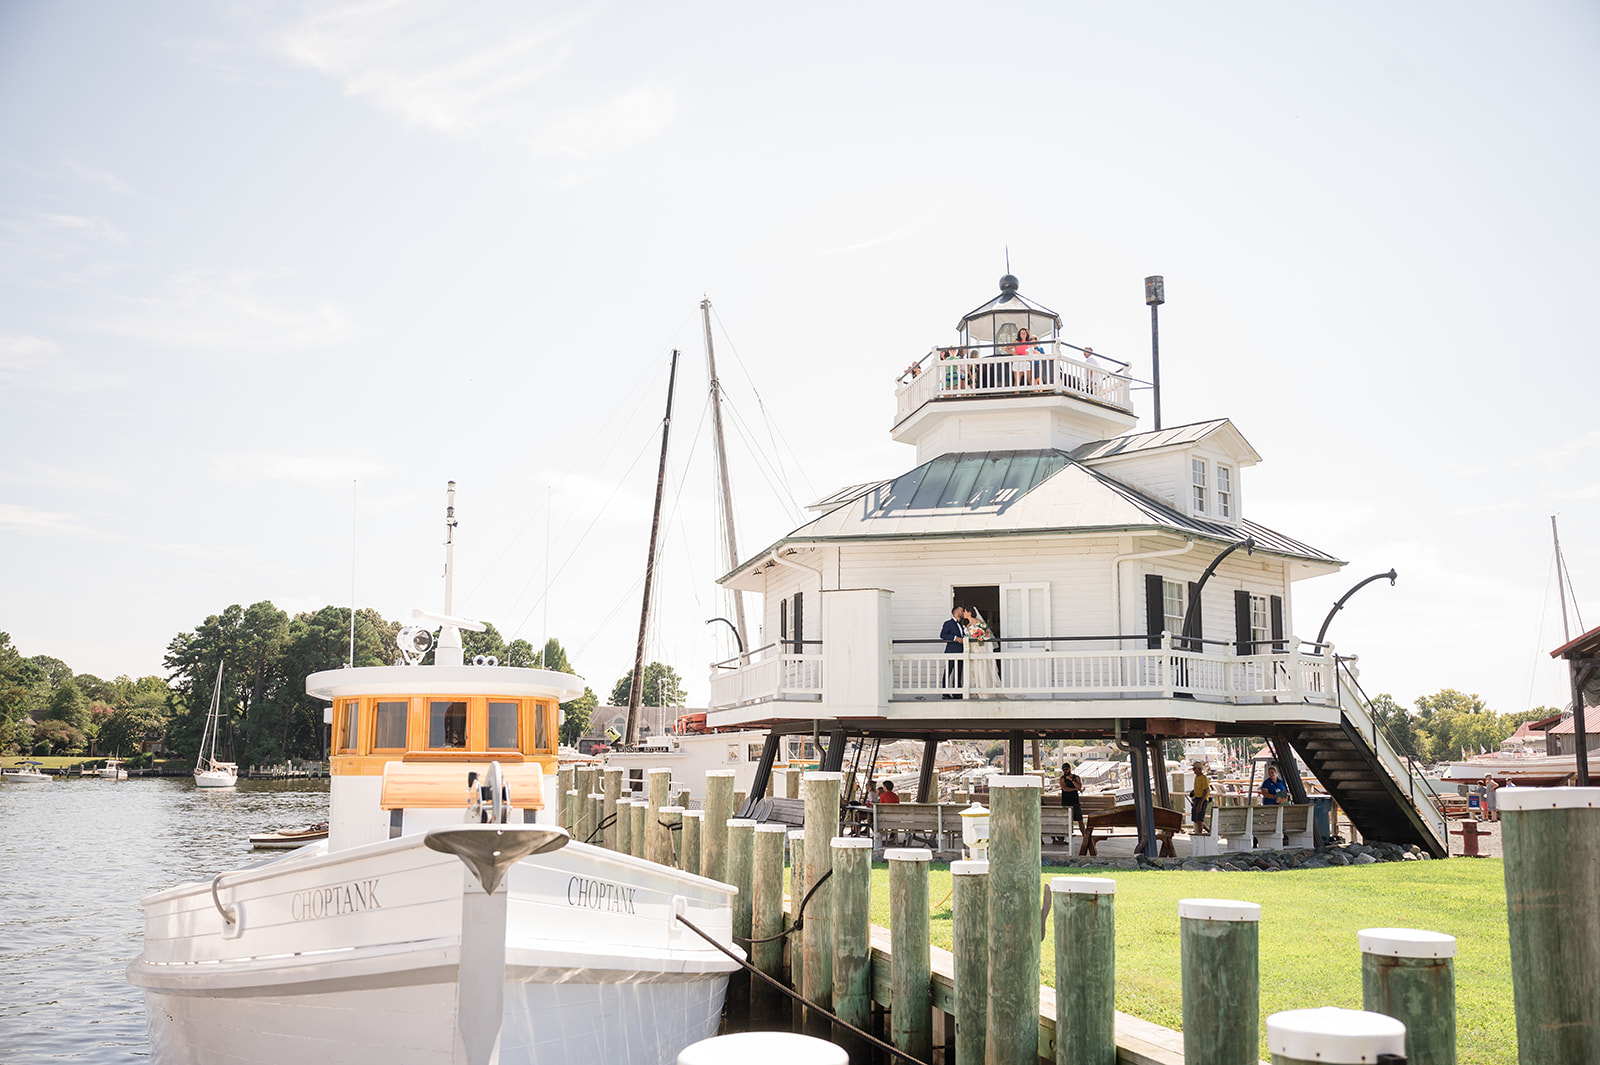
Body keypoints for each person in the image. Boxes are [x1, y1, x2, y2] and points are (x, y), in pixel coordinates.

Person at [940, 605, 967, 698]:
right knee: (948, 672)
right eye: (961, 610)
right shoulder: (948, 623)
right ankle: (945, 693)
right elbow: (943, 635)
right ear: (956, 612)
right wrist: (955, 638)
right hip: (951, 652)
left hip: (960, 652)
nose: (963, 612)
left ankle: (957, 693)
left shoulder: (961, 624)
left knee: (958, 673)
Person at [1059, 762, 1084, 832]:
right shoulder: (1062, 779)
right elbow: (1065, 789)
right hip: (1066, 801)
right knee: (1065, 821)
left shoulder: (1076, 777)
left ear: (1070, 769)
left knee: (1080, 820)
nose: (1065, 771)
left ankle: (1085, 836)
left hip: (1075, 801)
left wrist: (1072, 780)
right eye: (1063, 770)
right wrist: (1075, 789)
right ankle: (1064, 837)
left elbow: (1079, 786)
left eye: (1066, 769)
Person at [1189, 761, 1212, 834]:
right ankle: (1209, 831)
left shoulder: (1203, 778)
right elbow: (1199, 788)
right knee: (1196, 818)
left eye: (1195, 768)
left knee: (1199, 818)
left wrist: (1200, 804)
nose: (1193, 770)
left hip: (1202, 799)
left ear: (1199, 769)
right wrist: (1193, 792)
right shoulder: (1197, 777)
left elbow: (1205, 791)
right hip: (1197, 798)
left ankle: (1200, 833)